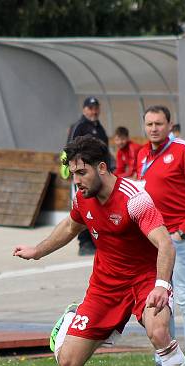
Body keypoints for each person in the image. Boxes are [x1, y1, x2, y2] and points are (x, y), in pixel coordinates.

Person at [13, 135, 185, 366]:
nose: (77, 180)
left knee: (159, 331)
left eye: (81, 172)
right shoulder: (83, 198)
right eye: (73, 173)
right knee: (68, 363)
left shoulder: (134, 200)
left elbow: (166, 245)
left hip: (145, 280)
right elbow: (70, 226)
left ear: (102, 167)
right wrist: (38, 251)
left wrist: (161, 286)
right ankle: (72, 319)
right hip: (105, 287)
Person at [136, 105, 185, 366]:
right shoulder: (142, 154)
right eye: (149, 124)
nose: (153, 128)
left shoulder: (183, 150)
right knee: (157, 299)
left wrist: (183, 230)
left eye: (158, 123)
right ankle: (163, 362)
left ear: (170, 125)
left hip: (178, 239)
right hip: (153, 242)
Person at [67, 96, 111, 255]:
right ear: (84, 109)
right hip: (83, 176)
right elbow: (69, 151)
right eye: (90, 108)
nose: (94, 111)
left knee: (98, 207)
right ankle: (84, 242)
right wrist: (75, 173)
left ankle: (96, 240)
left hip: (99, 177)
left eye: (96, 108)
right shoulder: (79, 126)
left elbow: (105, 151)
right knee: (83, 207)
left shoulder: (99, 128)